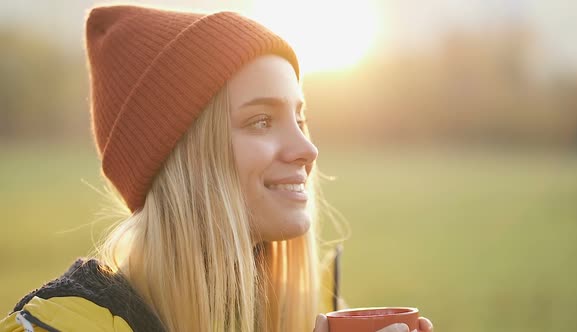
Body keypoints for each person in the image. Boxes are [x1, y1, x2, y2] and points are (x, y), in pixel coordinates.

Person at [0, 4, 434, 332]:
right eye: (261, 120)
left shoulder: (305, 309)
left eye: (300, 119)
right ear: (179, 158)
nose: (307, 148)